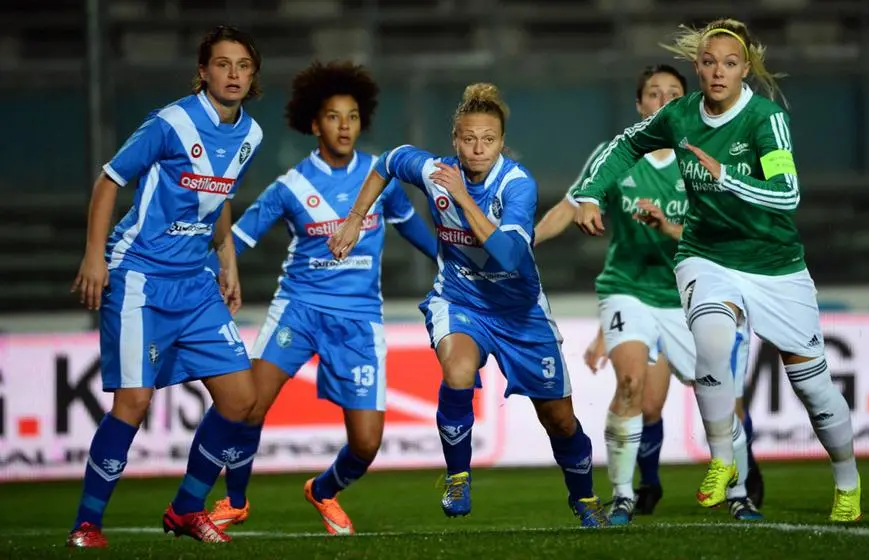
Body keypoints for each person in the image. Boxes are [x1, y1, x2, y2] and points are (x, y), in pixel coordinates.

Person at [571, 18, 861, 522]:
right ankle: (724, 463)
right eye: (708, 63)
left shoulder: (765, 119)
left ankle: (847, 478)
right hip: (707, 255)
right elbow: (625, 145)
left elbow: (787, 195)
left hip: (775, 265)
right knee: (712, 340)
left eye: (730, 63)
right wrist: (590, 192)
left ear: (745, 69)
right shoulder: (680, 115)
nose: (718, 72)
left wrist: (725, 177)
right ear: (698, 67)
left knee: (813, 388)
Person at [328, 83, 607, 527]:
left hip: (520, 313)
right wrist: (355, 219)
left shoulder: (517, 185)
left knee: (560, 421)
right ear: (455, 141)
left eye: (488, 140)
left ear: (501, 143)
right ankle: (458, 475)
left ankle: (585, 498)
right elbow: (387, 162)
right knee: (457, 371)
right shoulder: (435, 170)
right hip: (460, 299)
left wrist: (459, 196)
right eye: (469, 139)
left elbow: (511, 256)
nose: (478, 149)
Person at [204, 61, 437, 536]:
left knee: (367, 444)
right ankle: (234, 499)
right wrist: (210, 273)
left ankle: (325, 489)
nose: (345, 125)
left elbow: (415, 230)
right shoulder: (290, 187)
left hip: (358, 320)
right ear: (315, 123)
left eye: (352, 116)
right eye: (334, 116)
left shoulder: (380, 178)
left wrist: (456, 264)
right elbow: (237, 239)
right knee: (247, 405)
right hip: (299, 308)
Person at [535, 65, 762, 524]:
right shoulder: (618, 154)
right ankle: (622, 494)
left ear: (684, 102)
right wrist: (524, 241)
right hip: (628, 289)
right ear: (640, 106)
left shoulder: (702, 155)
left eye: (672, 94)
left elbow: (725, 235)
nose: (662, 101)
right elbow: (572, 203)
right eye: (652, 95)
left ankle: (739, 490)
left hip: (689, 293)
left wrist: (668, 226)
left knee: (718, 396)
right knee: (632, 385)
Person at [67, 25, 264, 548]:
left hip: (195, 283)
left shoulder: (251, 135)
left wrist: (228, 260)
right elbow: (110, 179)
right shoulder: (171, 122)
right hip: (140, 277)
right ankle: (86, 524)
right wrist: (94, 255)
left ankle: (185, 509)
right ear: (203, 71)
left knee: (241, 399)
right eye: (222, 65)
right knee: (132, 402)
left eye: (243, 66)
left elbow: (218, 197)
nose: (234, 75)